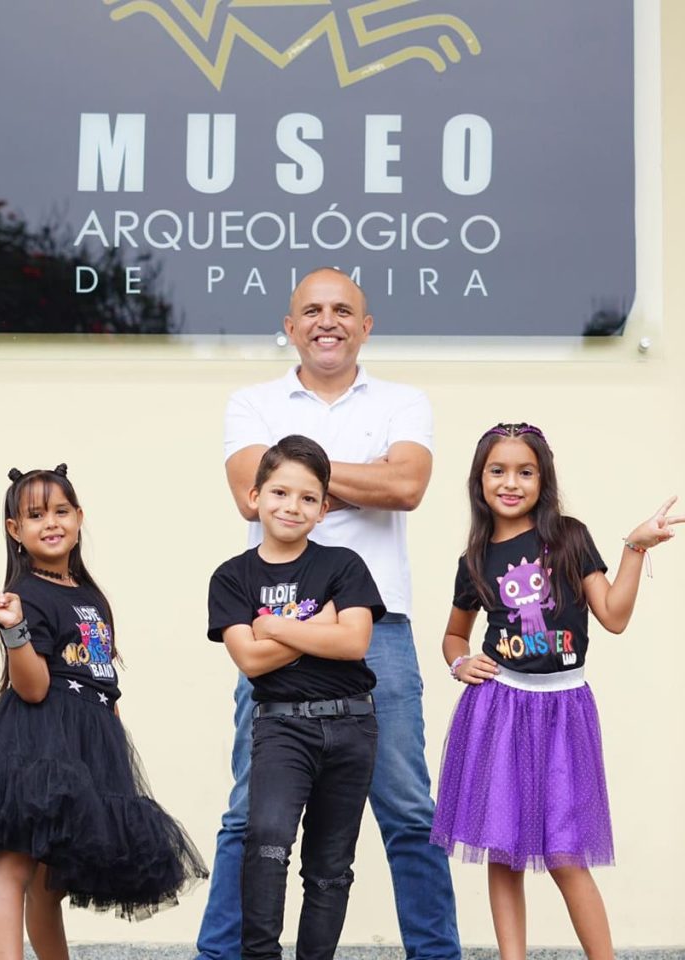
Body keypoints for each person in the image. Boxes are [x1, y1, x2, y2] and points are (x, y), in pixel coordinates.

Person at [197, 267, 460, 960]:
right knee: (250, 814)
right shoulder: (251, 403)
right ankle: (220, 955)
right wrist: (360, 476)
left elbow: (407, 484)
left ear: (365, 326)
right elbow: (248, 493)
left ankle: (437, 955)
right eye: (312, 310)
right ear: (290, 327)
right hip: (273, 619)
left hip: (378, 630)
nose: (327, 321)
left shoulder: (403, 401)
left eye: (343, 310)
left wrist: (293, 474)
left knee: (409, 809)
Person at [0, 464, 207, 959]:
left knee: (49, 884)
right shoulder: (26, 595)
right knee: (14, 866)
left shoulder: (91, 596)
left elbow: (101, 678)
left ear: (79, 517)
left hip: (89, 747)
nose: (50, 522)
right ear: (15, 530)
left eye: (60, 511)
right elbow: (33, 688)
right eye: (35, 515)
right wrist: (14, 629)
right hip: (36, 743)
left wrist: (111, 743)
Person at [429, 422, 683, 960]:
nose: (511, 482)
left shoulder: (568, 537)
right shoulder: (474, 560)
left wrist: (635, 547)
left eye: (526, 471)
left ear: (543, 479)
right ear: (479, 480)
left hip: (564, 709)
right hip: (499, 709)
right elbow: (454, 634)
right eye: (498, 471)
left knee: (567, 853)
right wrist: (459, 662)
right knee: (503, 850)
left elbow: (613, 616)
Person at [208, 434, 385, 960]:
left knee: (330, 866)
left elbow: (354, 643)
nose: (293, 506)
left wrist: (274, 626)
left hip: (353, 726)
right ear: (255, 497)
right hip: (282, 727)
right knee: (266, 840)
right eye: (280, 493)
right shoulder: (232, 577)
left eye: (308, 498)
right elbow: (250, 659)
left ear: (324, 508)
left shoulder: (344, 564)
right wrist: (321, 623)